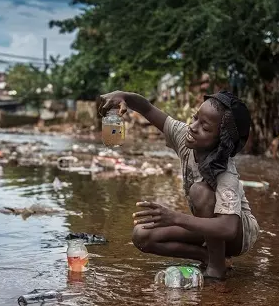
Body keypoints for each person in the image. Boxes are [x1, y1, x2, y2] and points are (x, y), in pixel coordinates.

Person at [98, 90, 259, 280]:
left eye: (205, 128)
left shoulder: (226, 173)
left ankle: (216, 270)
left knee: (200, 191)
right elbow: (147, 109)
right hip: (211, 228)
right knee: (142, 235)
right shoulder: (185, 137)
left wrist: (174, 217)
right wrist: (123, 96)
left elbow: (228, 227)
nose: (193, 127)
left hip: (239, 235)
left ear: (221, 143)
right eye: (195, 118)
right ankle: (208, 257)